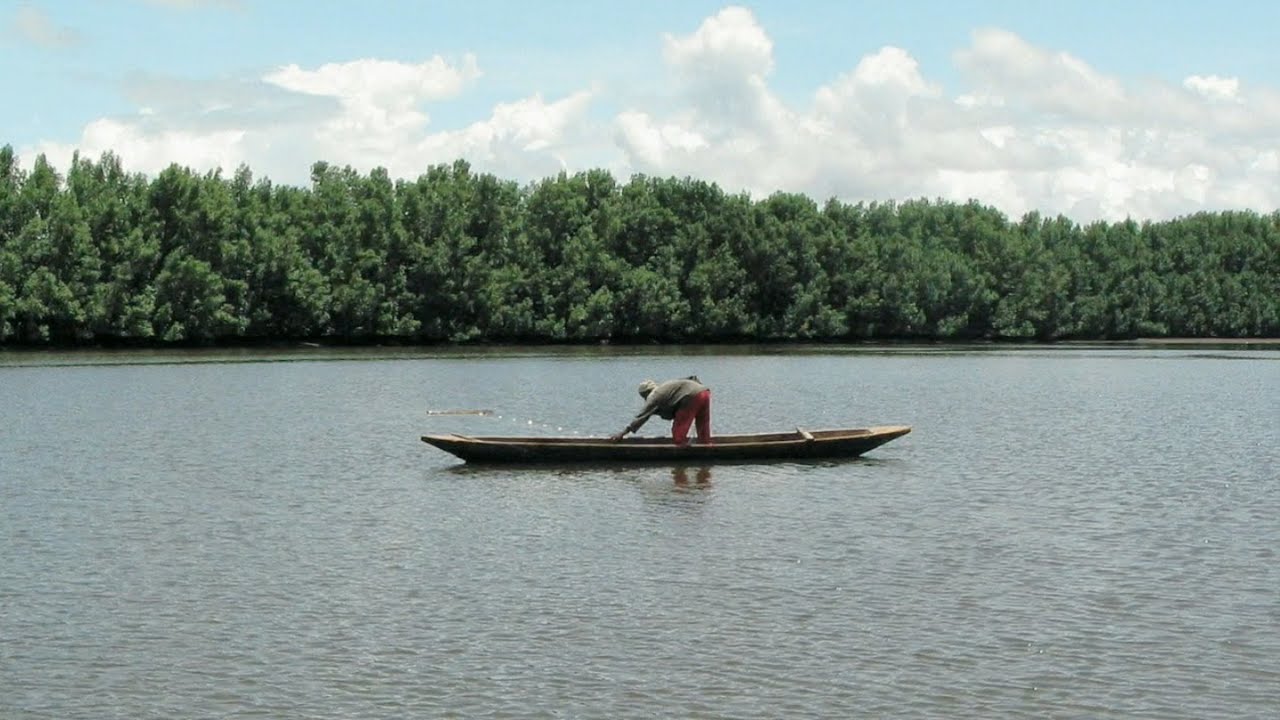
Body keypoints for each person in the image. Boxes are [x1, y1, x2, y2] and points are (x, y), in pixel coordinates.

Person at [610, 376, 712, 445]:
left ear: (645, 394)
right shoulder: (665, 390)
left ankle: (682, 453)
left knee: (678, 435)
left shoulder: (654, 396)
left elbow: (642, 417)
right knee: (703, 427)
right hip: (704, 392)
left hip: (691, 396)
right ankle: (705, 446)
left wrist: (623, 433)